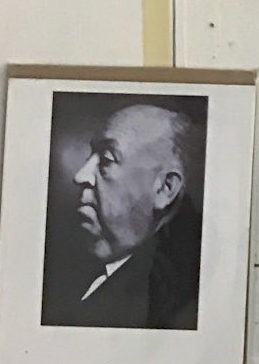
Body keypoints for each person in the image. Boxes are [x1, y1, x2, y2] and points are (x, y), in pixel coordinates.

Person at [42, 103, 203, 331]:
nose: (80, 176)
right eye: (91, 156)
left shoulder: (175, 301)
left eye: (106, 160)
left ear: (165, 188)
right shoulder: (67, 266)